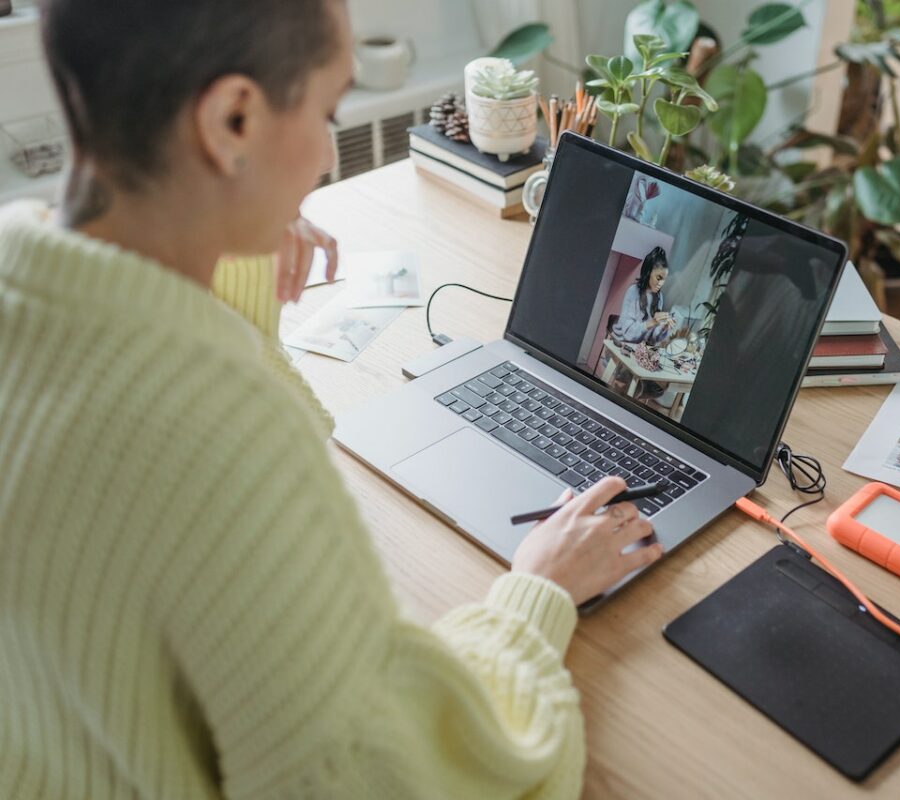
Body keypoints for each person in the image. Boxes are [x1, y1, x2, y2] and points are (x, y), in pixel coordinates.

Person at [0, 2, 662, 797]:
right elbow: (377, 775)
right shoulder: (228, 432)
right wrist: (536, 597)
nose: (321, 156)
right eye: (326, 111)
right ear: (232, 120)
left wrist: (222, 231)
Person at [612, 246, 676, 346]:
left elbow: (652, 338)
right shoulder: (633, 291)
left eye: (664, 279)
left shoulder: (659, 297)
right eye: (659, 278)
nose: (661, 283)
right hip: (621, 343)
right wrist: (652, 322)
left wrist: (663, 328)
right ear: (648, 272)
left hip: (637, 348)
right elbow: (627, 332)